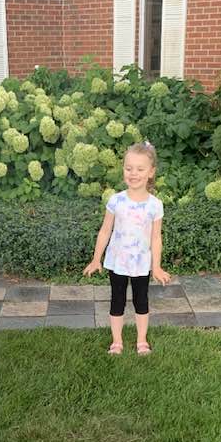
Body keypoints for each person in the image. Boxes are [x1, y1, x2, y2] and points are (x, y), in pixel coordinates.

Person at [83, 141, 170, 354]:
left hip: (141, 263)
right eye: (129, 168)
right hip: (117, 262)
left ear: (151, 172)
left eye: (140, 169)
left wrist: (156, 266)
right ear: (123, 170)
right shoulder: (116, 201)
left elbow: (155, 238)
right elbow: (105, 231)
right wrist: (96, 259)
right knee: (117, 300)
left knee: (141, 301)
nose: (133, 174)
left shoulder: (155, 205)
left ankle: (142, 341)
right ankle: (117, 342)